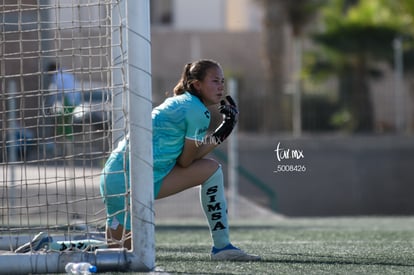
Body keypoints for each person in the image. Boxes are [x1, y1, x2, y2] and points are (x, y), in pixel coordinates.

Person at [100, 59, 261, 261]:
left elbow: (186, 160)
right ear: (197, 85)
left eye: (222, 81)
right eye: (215, 81)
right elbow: (186, 162)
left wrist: (222, 131)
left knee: (115, 252)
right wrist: (224, 130)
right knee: (122, 257)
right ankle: (222, 247)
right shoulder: (197, 111)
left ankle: (53, 246)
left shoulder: (182, 101)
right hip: (129, 182)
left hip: (118, 177)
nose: (221, 86)